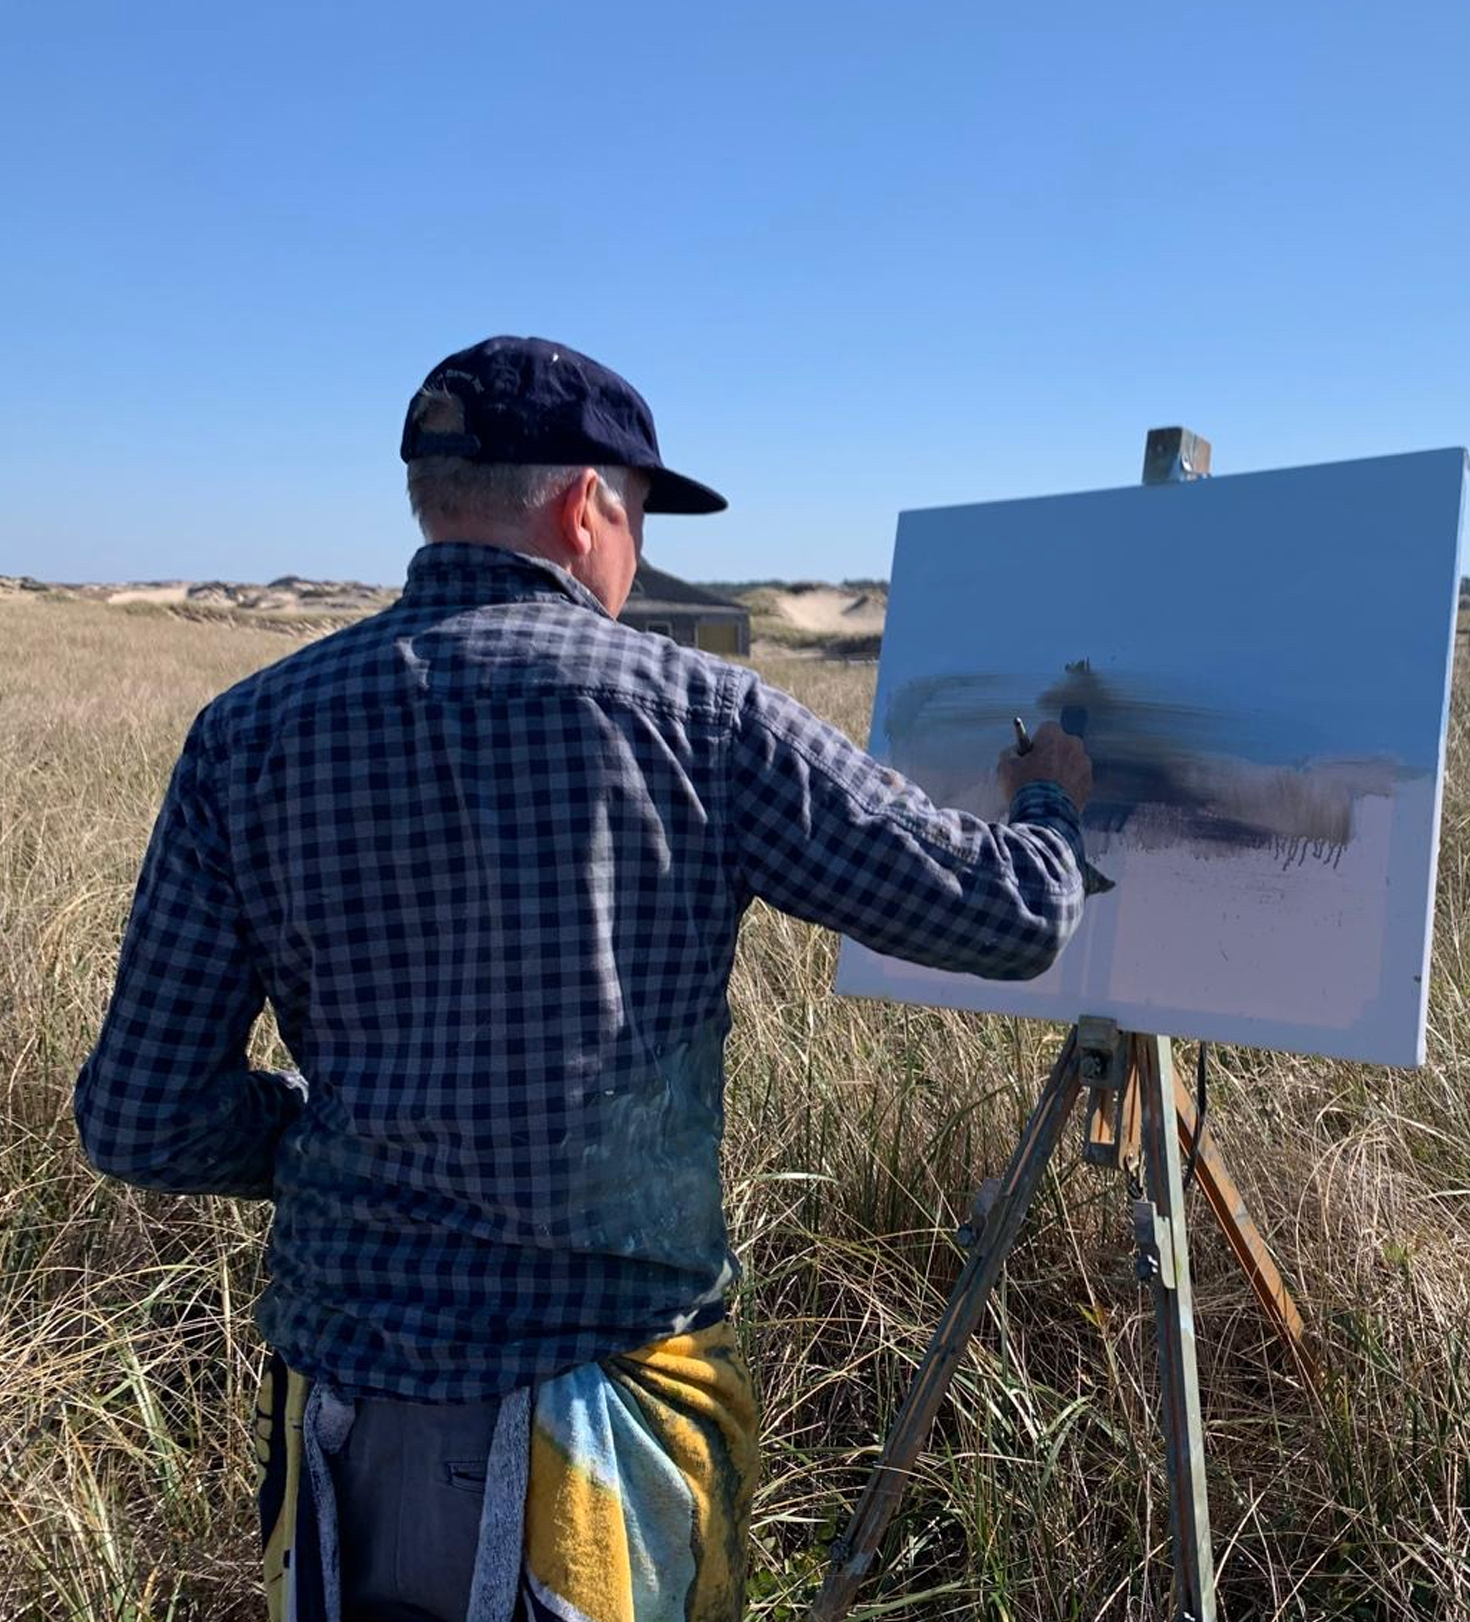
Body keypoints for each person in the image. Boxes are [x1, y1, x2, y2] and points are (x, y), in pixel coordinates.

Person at [73, 336, 1094, 1622]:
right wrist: (1050, 798)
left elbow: (140, 1117)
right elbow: (1007, 914)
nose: (637, 553)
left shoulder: (247, 733)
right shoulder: (702, 716)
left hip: (341, 1424)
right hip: (594, 1427)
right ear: (585, 504)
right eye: (642, 515)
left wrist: (344, 1131)